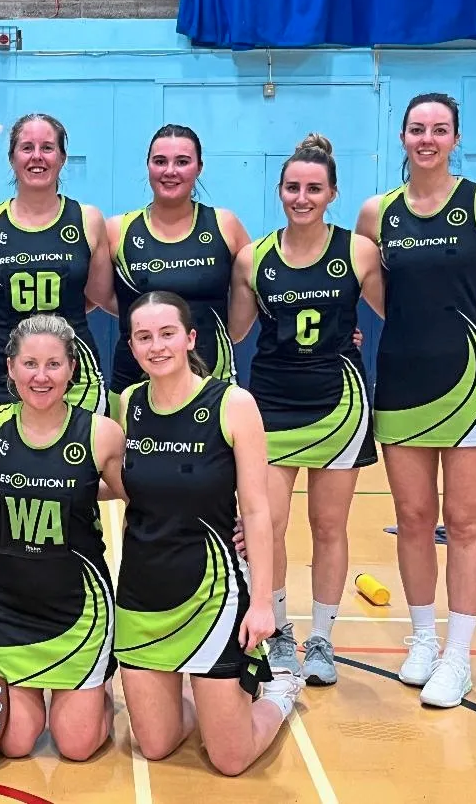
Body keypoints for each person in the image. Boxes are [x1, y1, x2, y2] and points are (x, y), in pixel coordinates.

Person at [355, 92, 476, 707]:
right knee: (411, 518)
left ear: (456, 138)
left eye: (439, 129)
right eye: (416, 129)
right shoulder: (377, 213)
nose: (427, 138)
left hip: (474, 382)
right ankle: (423, 638)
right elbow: (377, 292)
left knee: (465, 520)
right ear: (401, 137)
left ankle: (459, 653)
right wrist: (416, 325)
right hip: (402, 378)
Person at [108, 290, 303, 773]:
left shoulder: (233, 404)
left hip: (212, 597)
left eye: (168, 334)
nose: (157, 346)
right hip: (141, 594)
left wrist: (262, 603)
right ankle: (210, 705)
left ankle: (278, 693)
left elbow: (257, 512)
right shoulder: (130, 403)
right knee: (153, 744)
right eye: (144, 337)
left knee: (230, 759)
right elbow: (123, 486)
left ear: (190, 338)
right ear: (131, 347)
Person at [224, 134, 385, 686]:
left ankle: (322, 638)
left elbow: (400, 310)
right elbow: (236, 329)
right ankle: (281, 629)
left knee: (329, 524)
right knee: (267, 523)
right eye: (292, 187)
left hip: (338, 402)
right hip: (272, 400)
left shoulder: (359, 253)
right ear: (280, 191)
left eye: (313, 188)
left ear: (332, 193)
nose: (302, 197)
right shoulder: (254, 259)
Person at [0, 314, 124, 760]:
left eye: (53, 364)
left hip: (78, 608)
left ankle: (100, 690)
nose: (41, 376)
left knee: (76, 746)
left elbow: (143, 497)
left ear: (71, 369)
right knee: (15, 743)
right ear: (11, 367)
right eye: (30, 363)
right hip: (7, 606)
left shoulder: (101, 434)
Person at [0, 114, 115, 416]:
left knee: (80, 461)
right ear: (12, 158)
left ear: (62, 157)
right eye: (27, 147)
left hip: (74, 368)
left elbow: (99, 296)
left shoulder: (87, 219)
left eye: (47, 148)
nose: (37, 157)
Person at [106, 124, 250, 419]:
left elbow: (265, 290)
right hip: (133, 382)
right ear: (148, 166)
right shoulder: (117, 231)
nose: (170, 171)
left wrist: (335, 326)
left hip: (211, 380)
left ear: (199, 167)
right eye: (160, 161)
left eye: (182, 161)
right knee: (126, 466)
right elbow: (99, 296)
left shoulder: (225, 225)